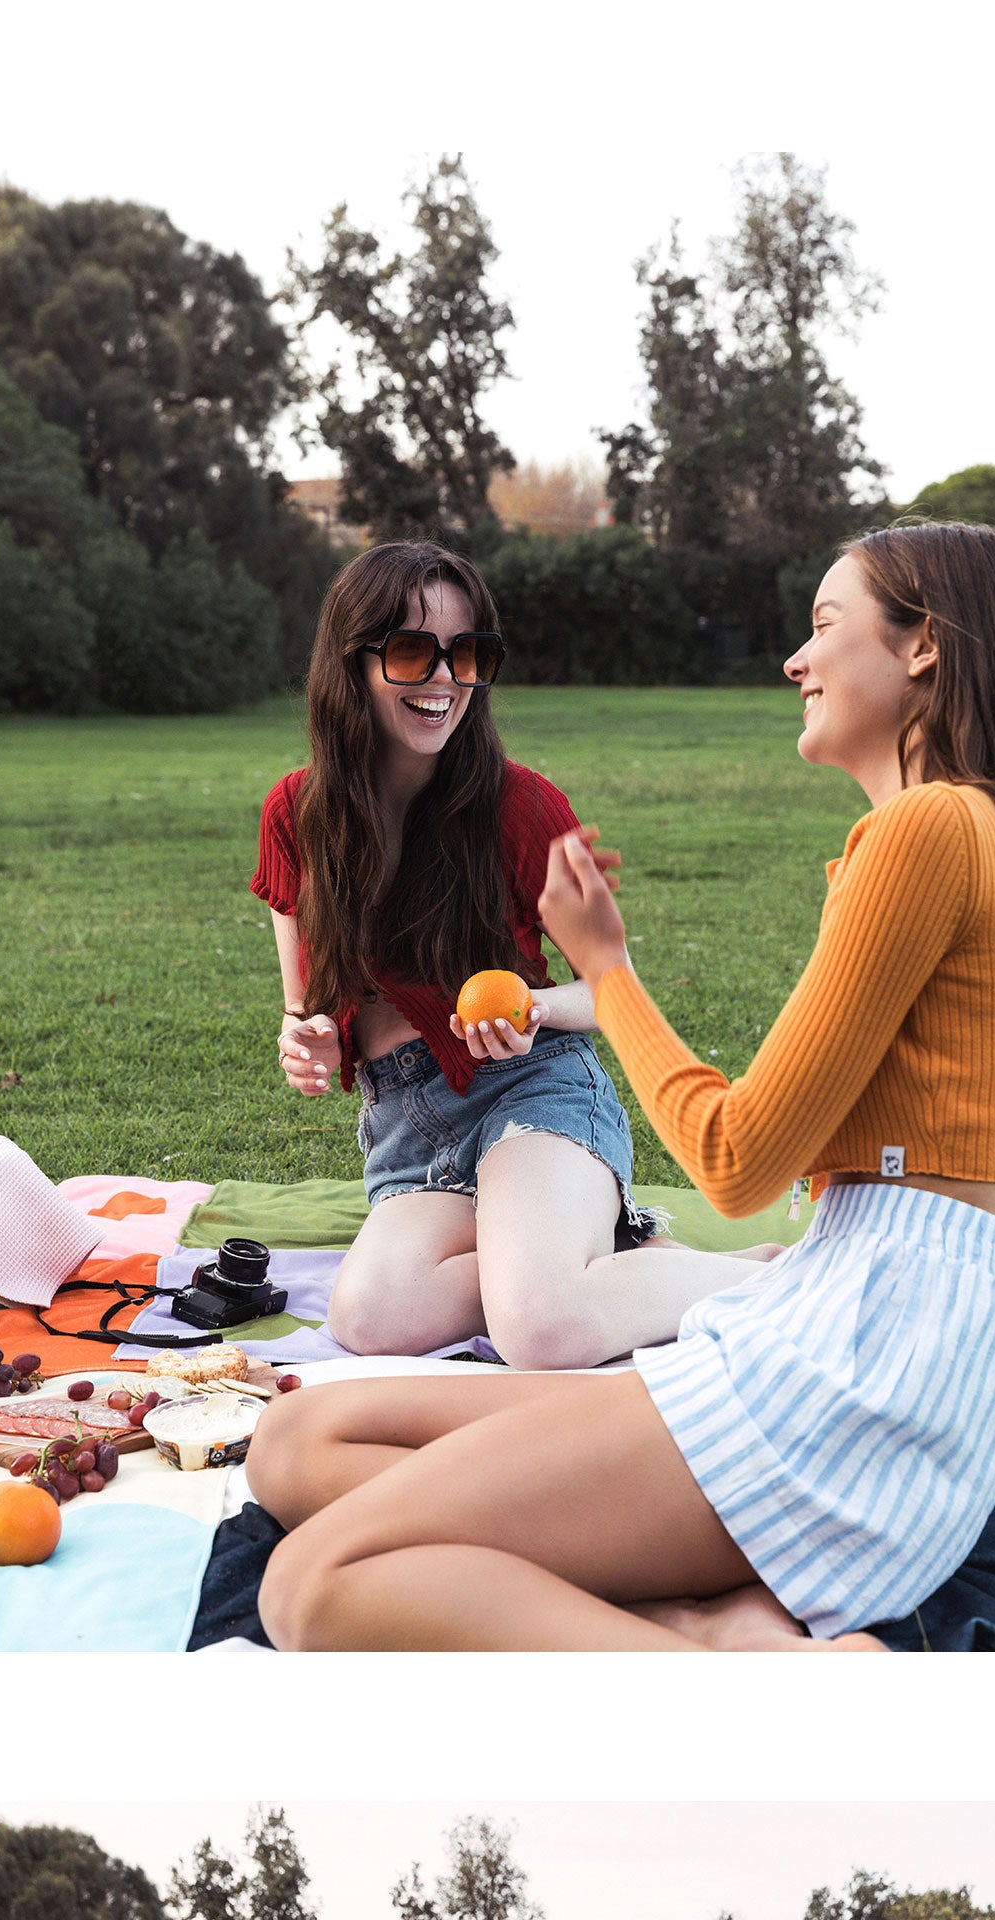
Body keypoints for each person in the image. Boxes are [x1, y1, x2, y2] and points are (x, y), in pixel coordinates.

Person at [243, 523, 995, 1654]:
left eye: (825, 626)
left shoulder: (930, 830)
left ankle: (731, 1667)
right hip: (839, 1317)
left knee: (312, 1586)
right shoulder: (939, 832)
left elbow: (734, 1162)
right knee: (294, 1446)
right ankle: (711, 1614)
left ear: (924, 649)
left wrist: (601, 967)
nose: (796, 660)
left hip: (869, 1367)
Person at [250, 525, 673, 1374]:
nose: (445, 679)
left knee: (543, 1329)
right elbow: (304, 1009)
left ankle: (772, 1277)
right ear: (352, 663)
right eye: (412, 650)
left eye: (467, 654)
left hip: (533, 1087)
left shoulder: (520, 806)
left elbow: (612, 993)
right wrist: (308, 1038)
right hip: (406, 1130)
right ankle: (605, 1264)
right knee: (369, 1315)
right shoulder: (296, 816)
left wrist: (533, 1009)